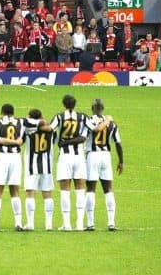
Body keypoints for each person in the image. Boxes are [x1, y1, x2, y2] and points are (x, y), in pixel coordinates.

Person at [49, 95, 90, 231]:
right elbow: (87, 134)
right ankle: (79, 224)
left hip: (65, 157)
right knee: (80, 189)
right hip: (79, 156)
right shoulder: (83, 117)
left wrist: (60, 142)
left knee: (65, 190)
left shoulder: (59, 117)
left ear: (63, 104)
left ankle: (66, 224)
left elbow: (50, 130)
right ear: (75, 104)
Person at [85, 99, 123, 231]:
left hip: (92, 155)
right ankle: (111, 222)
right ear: (103, 108)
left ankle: (90, 223)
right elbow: (118, 143)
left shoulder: (88, 120)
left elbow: (86, 135)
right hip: (106, 156)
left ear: (92, 108)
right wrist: (121, 161)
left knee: (90, 189)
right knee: (108, 189)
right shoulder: (112, 123)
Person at [0, 104, 25, 231]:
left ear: (2, 112)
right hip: (15, 158)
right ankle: (18, 223)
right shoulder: (21, 122)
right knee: (15, 190)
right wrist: (16, 142)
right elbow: (23, 139)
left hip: (2, 158)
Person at [22, 109, 55, 231]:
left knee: (30, 193)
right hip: (47, 166)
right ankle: (49, 224)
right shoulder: (51, 131)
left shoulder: (28, 130)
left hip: (32, 167)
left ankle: (30, 223)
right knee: (47, 194)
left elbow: (25, 123)